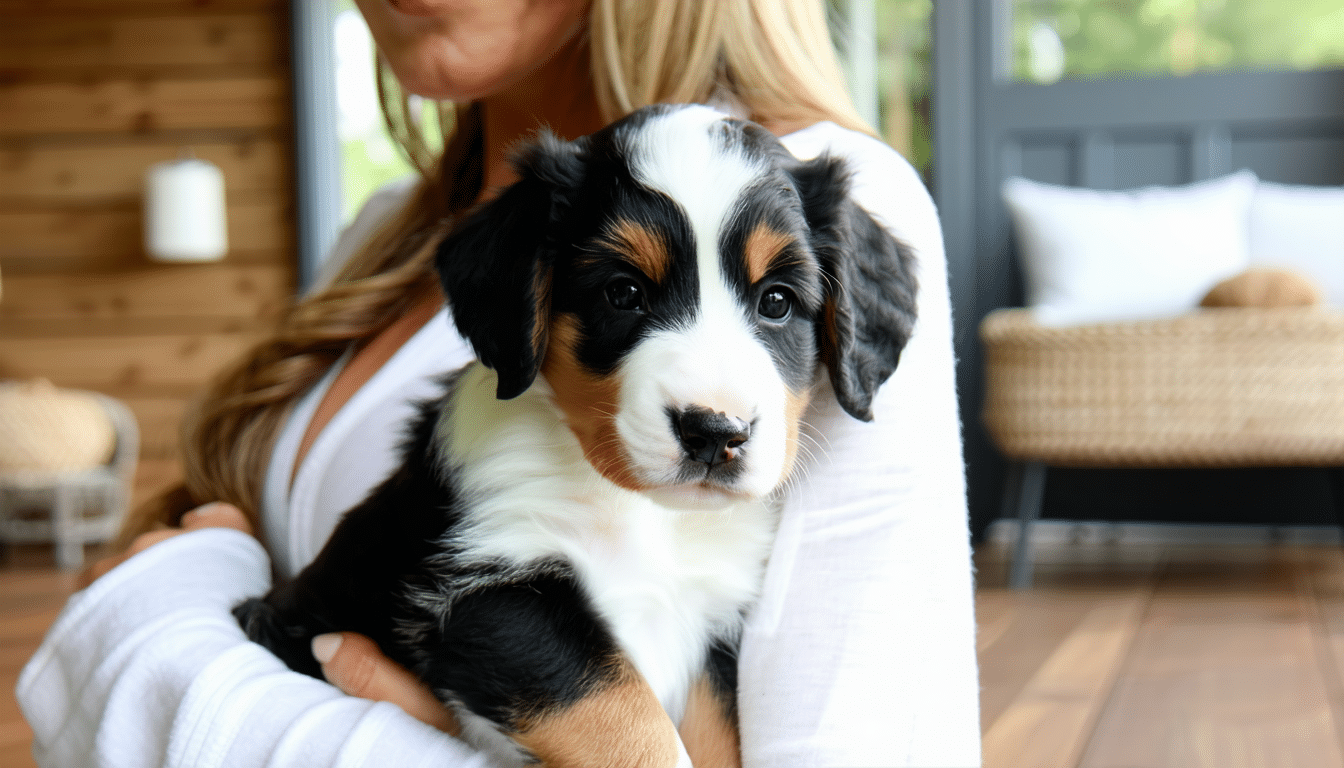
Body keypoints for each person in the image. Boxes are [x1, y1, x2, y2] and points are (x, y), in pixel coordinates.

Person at [17, 1, 982, 765]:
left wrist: (150, 645)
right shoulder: (385, 231)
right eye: (619, 292)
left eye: (773, 303)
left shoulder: (842, 189)